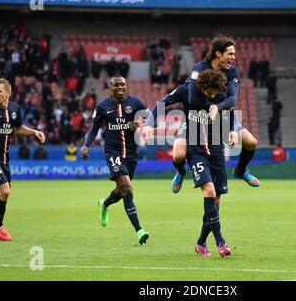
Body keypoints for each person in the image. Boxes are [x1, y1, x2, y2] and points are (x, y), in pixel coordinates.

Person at [143, 69, 236, 257]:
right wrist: (147, 125)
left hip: (216, 149)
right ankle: (221, 242)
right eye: (209, 91)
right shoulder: (187, 91)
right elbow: (163, 103)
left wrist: (232, 130)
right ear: (202, 86)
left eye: (215, 91)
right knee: (208, 190)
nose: (212, 95)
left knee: (215, 202)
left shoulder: (221, 95)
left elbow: (230, 111)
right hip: (195, 149)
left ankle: (201, 243)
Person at [170, 34, 260, 194]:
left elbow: (232, 98)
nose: (233, 57)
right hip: (195, 118)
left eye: (234, 54)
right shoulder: (198, 69)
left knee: (251, 143)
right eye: (230, 54)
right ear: (218, 54)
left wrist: (218, 109)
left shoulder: (232, 72)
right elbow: (193, 98)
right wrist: (212, 107)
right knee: (178, 156)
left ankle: (240, 171)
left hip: (221, 116)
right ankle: (181, 171)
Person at [0, 78, 45, 241]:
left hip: (4, 158)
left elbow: (18, 128)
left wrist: (34, 131)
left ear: (8, 93)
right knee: (5, 191)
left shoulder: (14, 109)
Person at [81, 75, 150, 245]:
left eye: (123, 85)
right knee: (127, 188)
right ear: (110, 87)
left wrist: (140, 124)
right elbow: (94, 129)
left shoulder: (135, 103)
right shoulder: (103, 106)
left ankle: (104, 203)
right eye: (116, 85)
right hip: (113, 153)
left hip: (132, 154)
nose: (120, 88)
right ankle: (139, 230)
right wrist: (85, 145)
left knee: (121, 191)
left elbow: (151, 118)